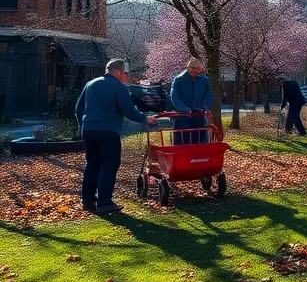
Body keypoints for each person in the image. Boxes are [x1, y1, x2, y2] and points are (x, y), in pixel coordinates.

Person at [75, 58, 156, 213]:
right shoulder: (119, 87)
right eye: (125, 74)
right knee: (109, 164)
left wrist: (83, 126)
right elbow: (128, 110)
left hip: (89, 131)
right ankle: (104, 203)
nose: (126, 77)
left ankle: (88, 200)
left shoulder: (91, 84)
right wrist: (145, 119)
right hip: (108, 131)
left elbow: (79, 108)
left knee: (92, 164)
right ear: (118, 72)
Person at [169, 56, 214, 145]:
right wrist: (184, 109)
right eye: (192, 68)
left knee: (200, 140)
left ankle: (199, 156)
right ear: (188, 67)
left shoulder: (204, 81)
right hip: (182, 115)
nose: (194, 71)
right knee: (181, 140)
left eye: (197, 69)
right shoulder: (179, 79)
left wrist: (203, 106)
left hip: (198, 114)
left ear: (200, 69)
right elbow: (174, 96)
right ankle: (180, 156)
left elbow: (209, 95)